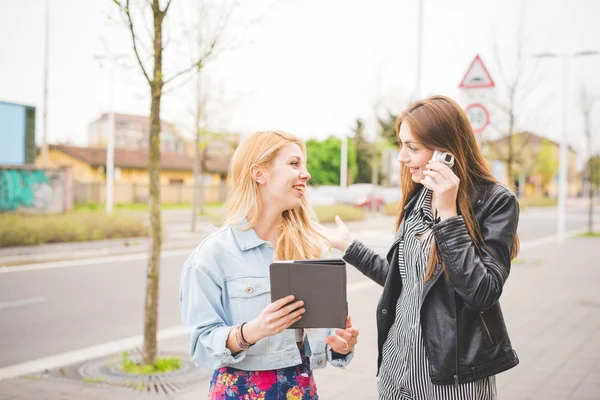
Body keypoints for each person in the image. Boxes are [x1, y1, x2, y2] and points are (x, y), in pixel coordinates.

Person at [315, 95, 520, 399]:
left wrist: (448, 214)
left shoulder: (495, 201)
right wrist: (350, 246)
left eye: (412, 147)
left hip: (450, 378)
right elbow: (407, 280)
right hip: (396, 370)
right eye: (401, 145)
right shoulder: (418, 199)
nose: (401, 157)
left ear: (446, 152)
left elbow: (482, 292)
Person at [180, 130, 358, 400]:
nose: (306, 174)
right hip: (239, 392)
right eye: (294, 164)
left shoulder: (311, 248)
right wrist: (253, 330)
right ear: (258, 174)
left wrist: (341, 344)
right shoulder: (212, 255)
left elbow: (326, 339)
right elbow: (201, 345)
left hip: (300, 390)